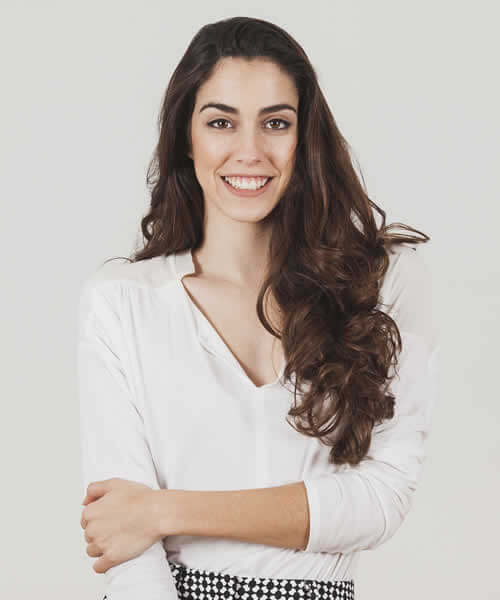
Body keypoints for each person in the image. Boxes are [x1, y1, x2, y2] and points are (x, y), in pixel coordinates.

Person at [77, 16, 439, 600]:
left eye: (276, 123)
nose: (249, 151)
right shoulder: (122, 301)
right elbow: (124, 534)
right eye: (221, 122)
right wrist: (143, 517)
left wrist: (167, 510)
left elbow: (380, 499)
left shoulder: (381, 283)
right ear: (186, 138)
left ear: (305, 138)